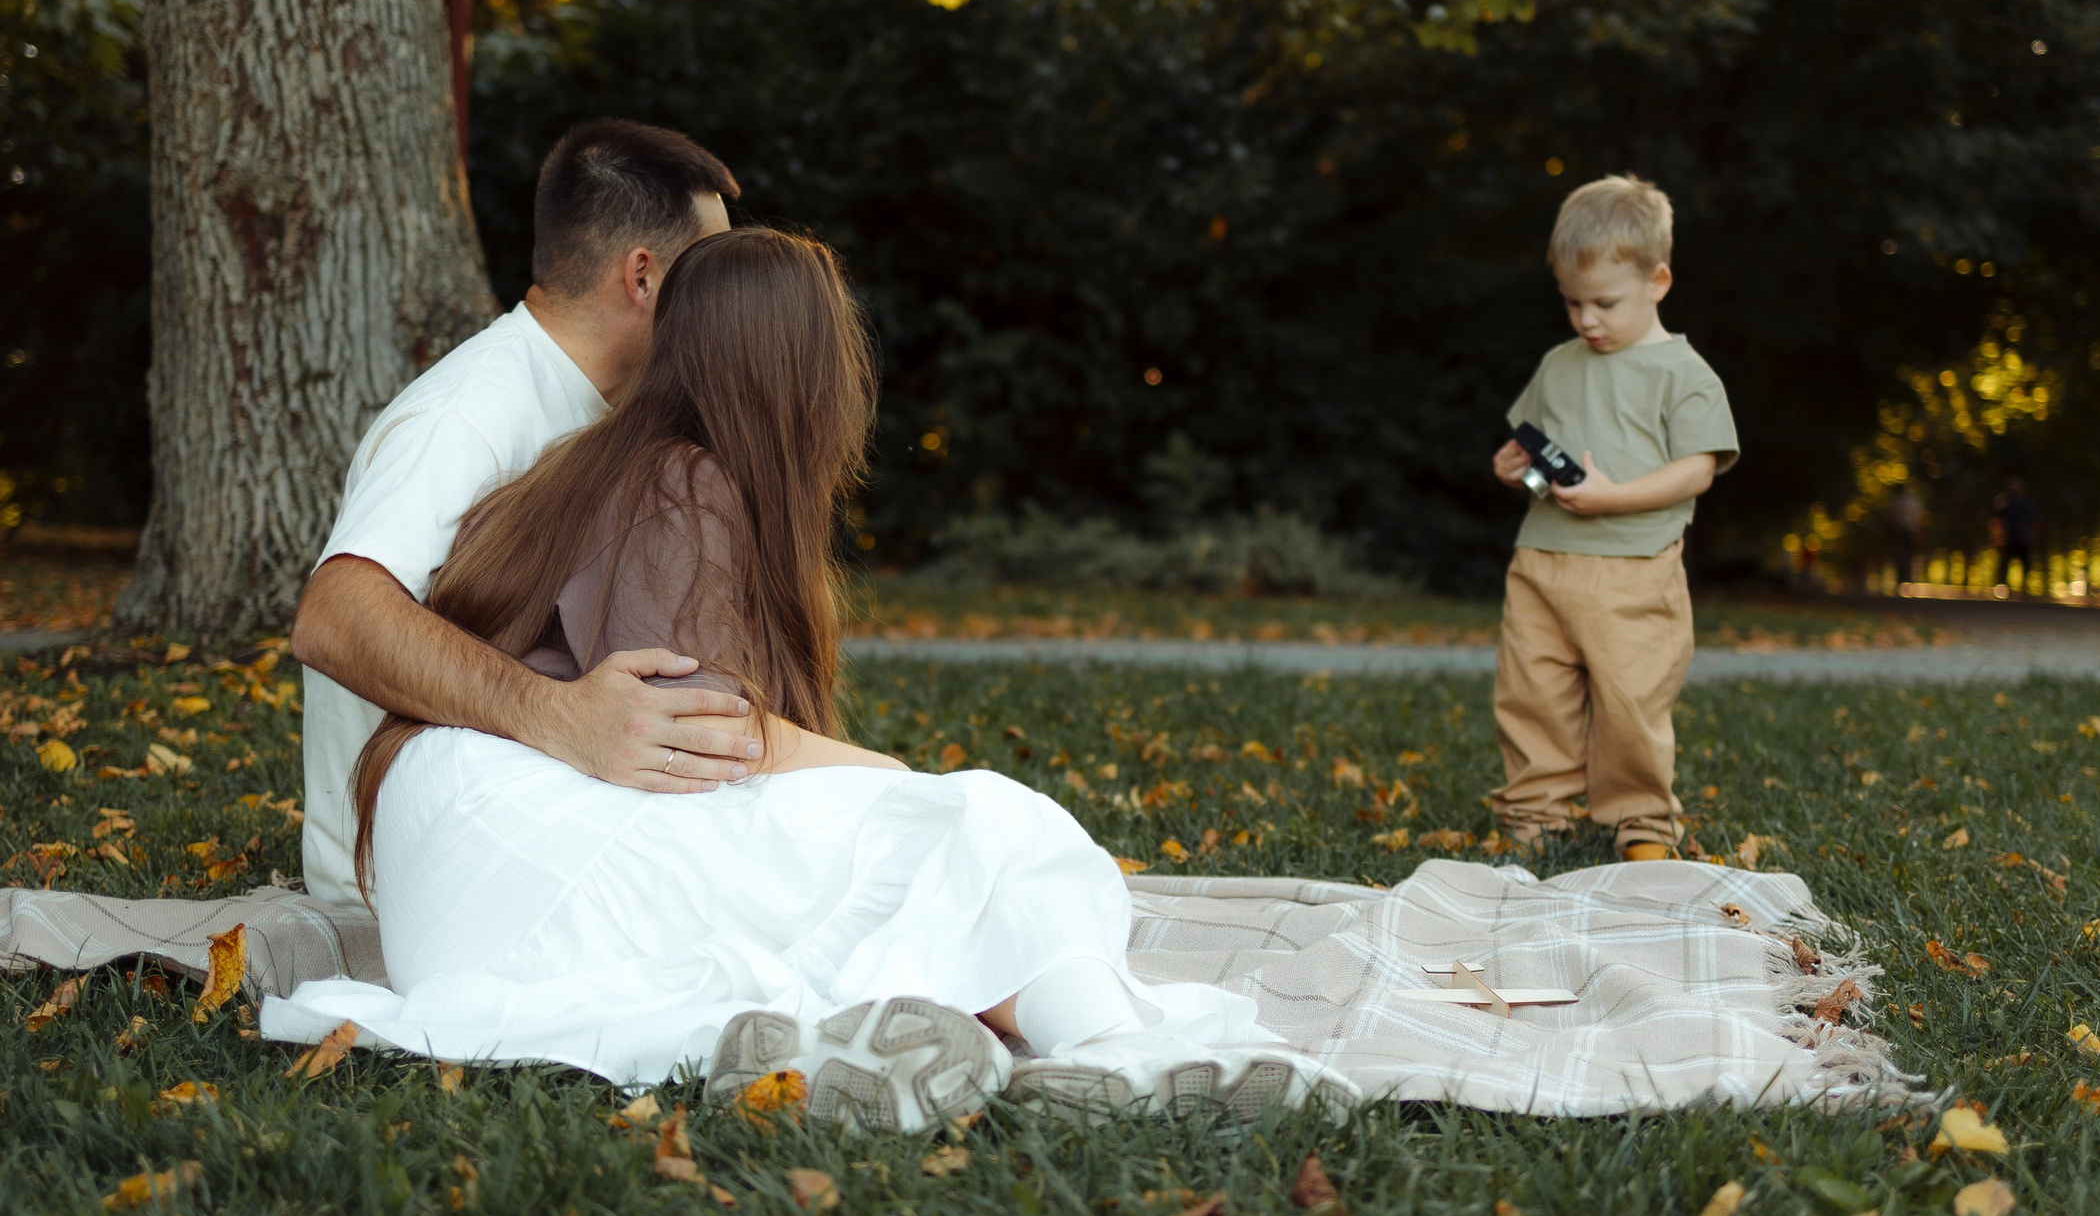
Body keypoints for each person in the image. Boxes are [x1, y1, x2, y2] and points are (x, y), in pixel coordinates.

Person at [268, 227, 1345, 1130]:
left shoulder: (596, 464)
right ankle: (1113, 1052)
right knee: (990, 826)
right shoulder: (682, 480)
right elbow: (711, 733)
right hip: (512, 850)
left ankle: (928, 1041)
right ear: (800, 370)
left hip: (454, 870)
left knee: (886, 858)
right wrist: (915, 791)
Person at [290, 121, 756, 914]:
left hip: (513, 825)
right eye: (707, 267)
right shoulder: (468, 413)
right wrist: (561, 716)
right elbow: (333, 615)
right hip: (404, 880)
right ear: (643, 276)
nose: (723, 297)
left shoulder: (602, 413)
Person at [1487, 176, 1739, 862]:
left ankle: (1642, 821)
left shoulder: (1683, 373)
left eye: (1605, 302)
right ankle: (1535, 814)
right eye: (1573, 302)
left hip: (1635, 566)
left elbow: (1698, 468)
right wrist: (1517, 468)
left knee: (1630, 699)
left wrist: (1613, 497)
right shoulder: (1559, 364)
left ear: (1658, 281)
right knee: (1532, 691)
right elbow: (1538, 452)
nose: (1587, 320)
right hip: (1542, 558)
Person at [1991, 475, 2038, 593]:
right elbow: (1998, 521)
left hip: (2023, 539)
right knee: (2005, 565)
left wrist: (2032, 536)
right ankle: (2003, 589)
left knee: (2025, 566)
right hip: (2010, 539)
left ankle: (2025, 590)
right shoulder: (2006, 502)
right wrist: (1997, 537)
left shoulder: (2026, 503)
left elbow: (2034, 521)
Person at [1883, 484, 1925, 590]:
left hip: (1898, 532)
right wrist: (1920, 534)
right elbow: (1920, 518)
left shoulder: (1895, 501)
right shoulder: (1914, 501)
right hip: (1912, 531)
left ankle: (1901, 580)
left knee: (1900, 556)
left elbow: (1889, 518)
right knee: (1909, 556)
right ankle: (1908, 580)